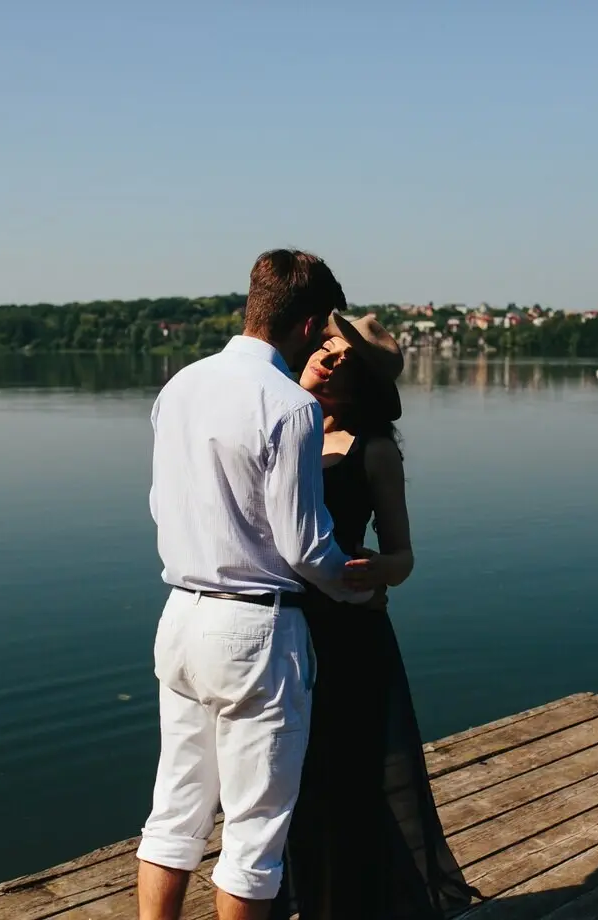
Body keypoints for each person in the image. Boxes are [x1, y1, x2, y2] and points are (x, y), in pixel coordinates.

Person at [137, 250, 380, 920]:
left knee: (174, 812)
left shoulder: (178, 387)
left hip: (180, 616)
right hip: (256, 632)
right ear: (307, 324)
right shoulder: (291, 406)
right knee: (253, 837)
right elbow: (304, 545)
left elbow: (163, 507)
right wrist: (358, 589)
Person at [272, 312, 482, 920]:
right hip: (282, 630)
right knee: (290, 778)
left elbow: (404, 555)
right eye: (329, 347)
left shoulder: (374, 451)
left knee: (354, 781)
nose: (330, 359)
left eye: (347, 361)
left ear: (362, 387)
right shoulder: (277, 428)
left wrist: (376, 570)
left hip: (350, 637)